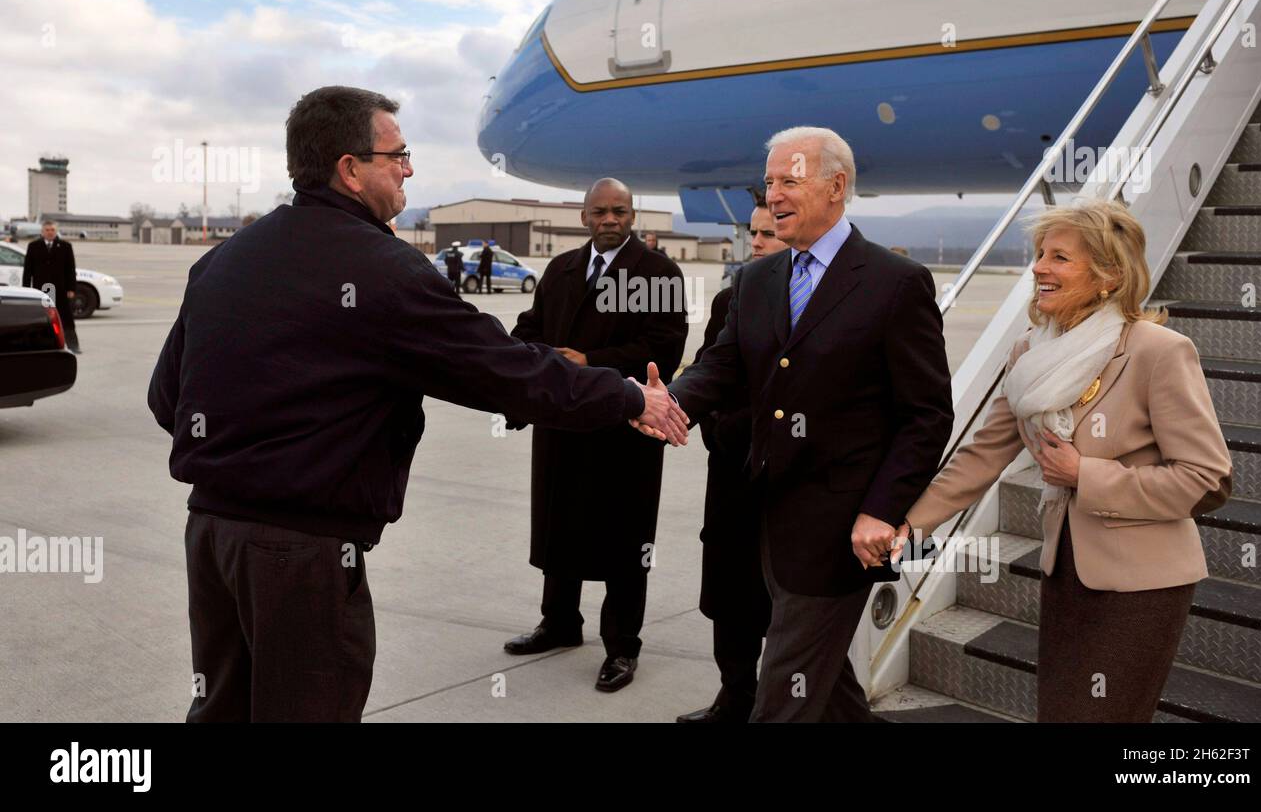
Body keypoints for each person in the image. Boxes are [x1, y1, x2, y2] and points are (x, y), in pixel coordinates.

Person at [147, 86, 686, 722]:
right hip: (300, 555)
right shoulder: (382, 268)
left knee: (221, 712)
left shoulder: (223, 260)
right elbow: (500, 368)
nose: (408, 168)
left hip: (211, 538)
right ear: (350, 168)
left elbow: (167, 399)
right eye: (397, 154)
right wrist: (624, 395)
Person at [646, 127, 954, 721]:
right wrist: (670, 401)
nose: (774, 194)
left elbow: (927, 415)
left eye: (790, 180)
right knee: (826, 680)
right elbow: (725, 365)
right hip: (768, 517)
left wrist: (884, 510)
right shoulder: (759, 280)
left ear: (836, 187)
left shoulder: (895, 284)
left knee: (784, 688)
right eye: (769, 182)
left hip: (843, 531)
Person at [894, 198, 1232, 723]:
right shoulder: (1031, 352)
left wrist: (1086, 475)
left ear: (1108, 275)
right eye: (1039, 254)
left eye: (1059, 258)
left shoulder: (1157, 351)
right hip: (1068, 569)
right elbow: (984, 454)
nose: (1039, 268)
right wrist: (909, 526)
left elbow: (1208, 479)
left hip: (1143, 582)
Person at [504, 177, 689, 692]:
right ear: (584, 216)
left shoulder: (657, 273)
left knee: (624, 541)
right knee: (559, 523)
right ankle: (560, 623)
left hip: (624, 430)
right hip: (563, 426)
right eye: (601, 212)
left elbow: (665, 347)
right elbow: (531, 328)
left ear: (633, 216)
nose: (611, 220)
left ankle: (622, 648)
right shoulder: (561, 269)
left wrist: (591, 364)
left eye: (621, 211)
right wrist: (518, 365)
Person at [676, 197, 787, 723]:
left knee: (785, 603)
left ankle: (779, 703)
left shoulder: (820, 303)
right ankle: (734, 695)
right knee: (728, 594)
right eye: (755, 232)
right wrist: (687, 414)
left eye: (770, 235)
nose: (757, 242)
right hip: (731, 474)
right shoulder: (731, 299)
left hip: (788, 482)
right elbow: (709, 369)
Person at [24, 220, 80, 354]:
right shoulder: (33, 246)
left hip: (61, 289)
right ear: (42, 232)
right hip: (41, 289)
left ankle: (72, 345)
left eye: (52, 230)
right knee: (41, 317)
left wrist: (71, 289)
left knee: (65, 317)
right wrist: (26, 289)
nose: (50, 232)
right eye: (47, 230)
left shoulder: (66, 246)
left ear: (56, 231)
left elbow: (70, 269)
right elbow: (28, 270)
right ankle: (39, 345)